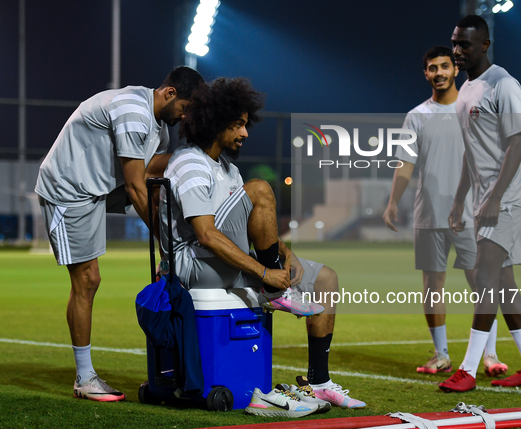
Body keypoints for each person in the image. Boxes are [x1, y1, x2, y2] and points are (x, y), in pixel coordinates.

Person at [159, 77, 366, 410]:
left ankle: (319, 381)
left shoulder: (226, 169)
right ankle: (277, 293)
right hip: (194, 265)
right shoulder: (190, 163)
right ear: (215, 123)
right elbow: (207, 234)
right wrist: (267, 274)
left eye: (245, 124)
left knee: (325, 279)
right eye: (238, 125)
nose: (245, 133)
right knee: (259, 189)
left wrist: (288, 254)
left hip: (226, 262)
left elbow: (253, 227)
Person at [35, 66, 204, 402]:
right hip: (69, 190)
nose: (184, 116)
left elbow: (155, 176)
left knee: (166, 174)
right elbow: (134, 186)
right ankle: (85, 379)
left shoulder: (159, 129)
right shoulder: (132, 110)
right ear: (169, 93)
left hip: (98, 188)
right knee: (87, 279)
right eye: (184, 108)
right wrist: (166, 248)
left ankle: (186, 248)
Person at [383, 46, 507, 377]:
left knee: (482, 283)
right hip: (429, 213)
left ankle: (490, 355)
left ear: (455, 69)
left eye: (444, 66)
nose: (438, 72)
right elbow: (406, 164)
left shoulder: (474, 109)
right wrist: (394, 201)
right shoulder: (416, 116)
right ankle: (441, 355)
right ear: (425, 74)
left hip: (473, 214)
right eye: (431, 68)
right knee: (432, 285)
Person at [439, 15, 521, 392]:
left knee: (484, 274)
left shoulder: (504, 84)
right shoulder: (464, 93)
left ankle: (467, 368)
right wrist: (458, 201)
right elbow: (472, 155)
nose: (457, 51)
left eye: (465, 44)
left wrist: (496, 197)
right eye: (454, 43)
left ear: (484, 45)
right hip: (486, 198)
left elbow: (517, 142)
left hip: (509, 195)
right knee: (503, 281)